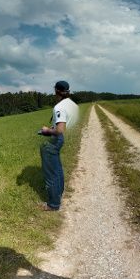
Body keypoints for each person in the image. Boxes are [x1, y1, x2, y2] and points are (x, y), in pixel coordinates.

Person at [38, 80, 78, 211]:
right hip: (61, 139)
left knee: (51, 172)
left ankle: (53, 204)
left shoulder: (59, 106)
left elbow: (60, 130)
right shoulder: (71, 104)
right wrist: (53, 127)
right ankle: (59, 193)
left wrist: (47, 131)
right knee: (58, 169)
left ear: (56, 91)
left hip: (56, 139)